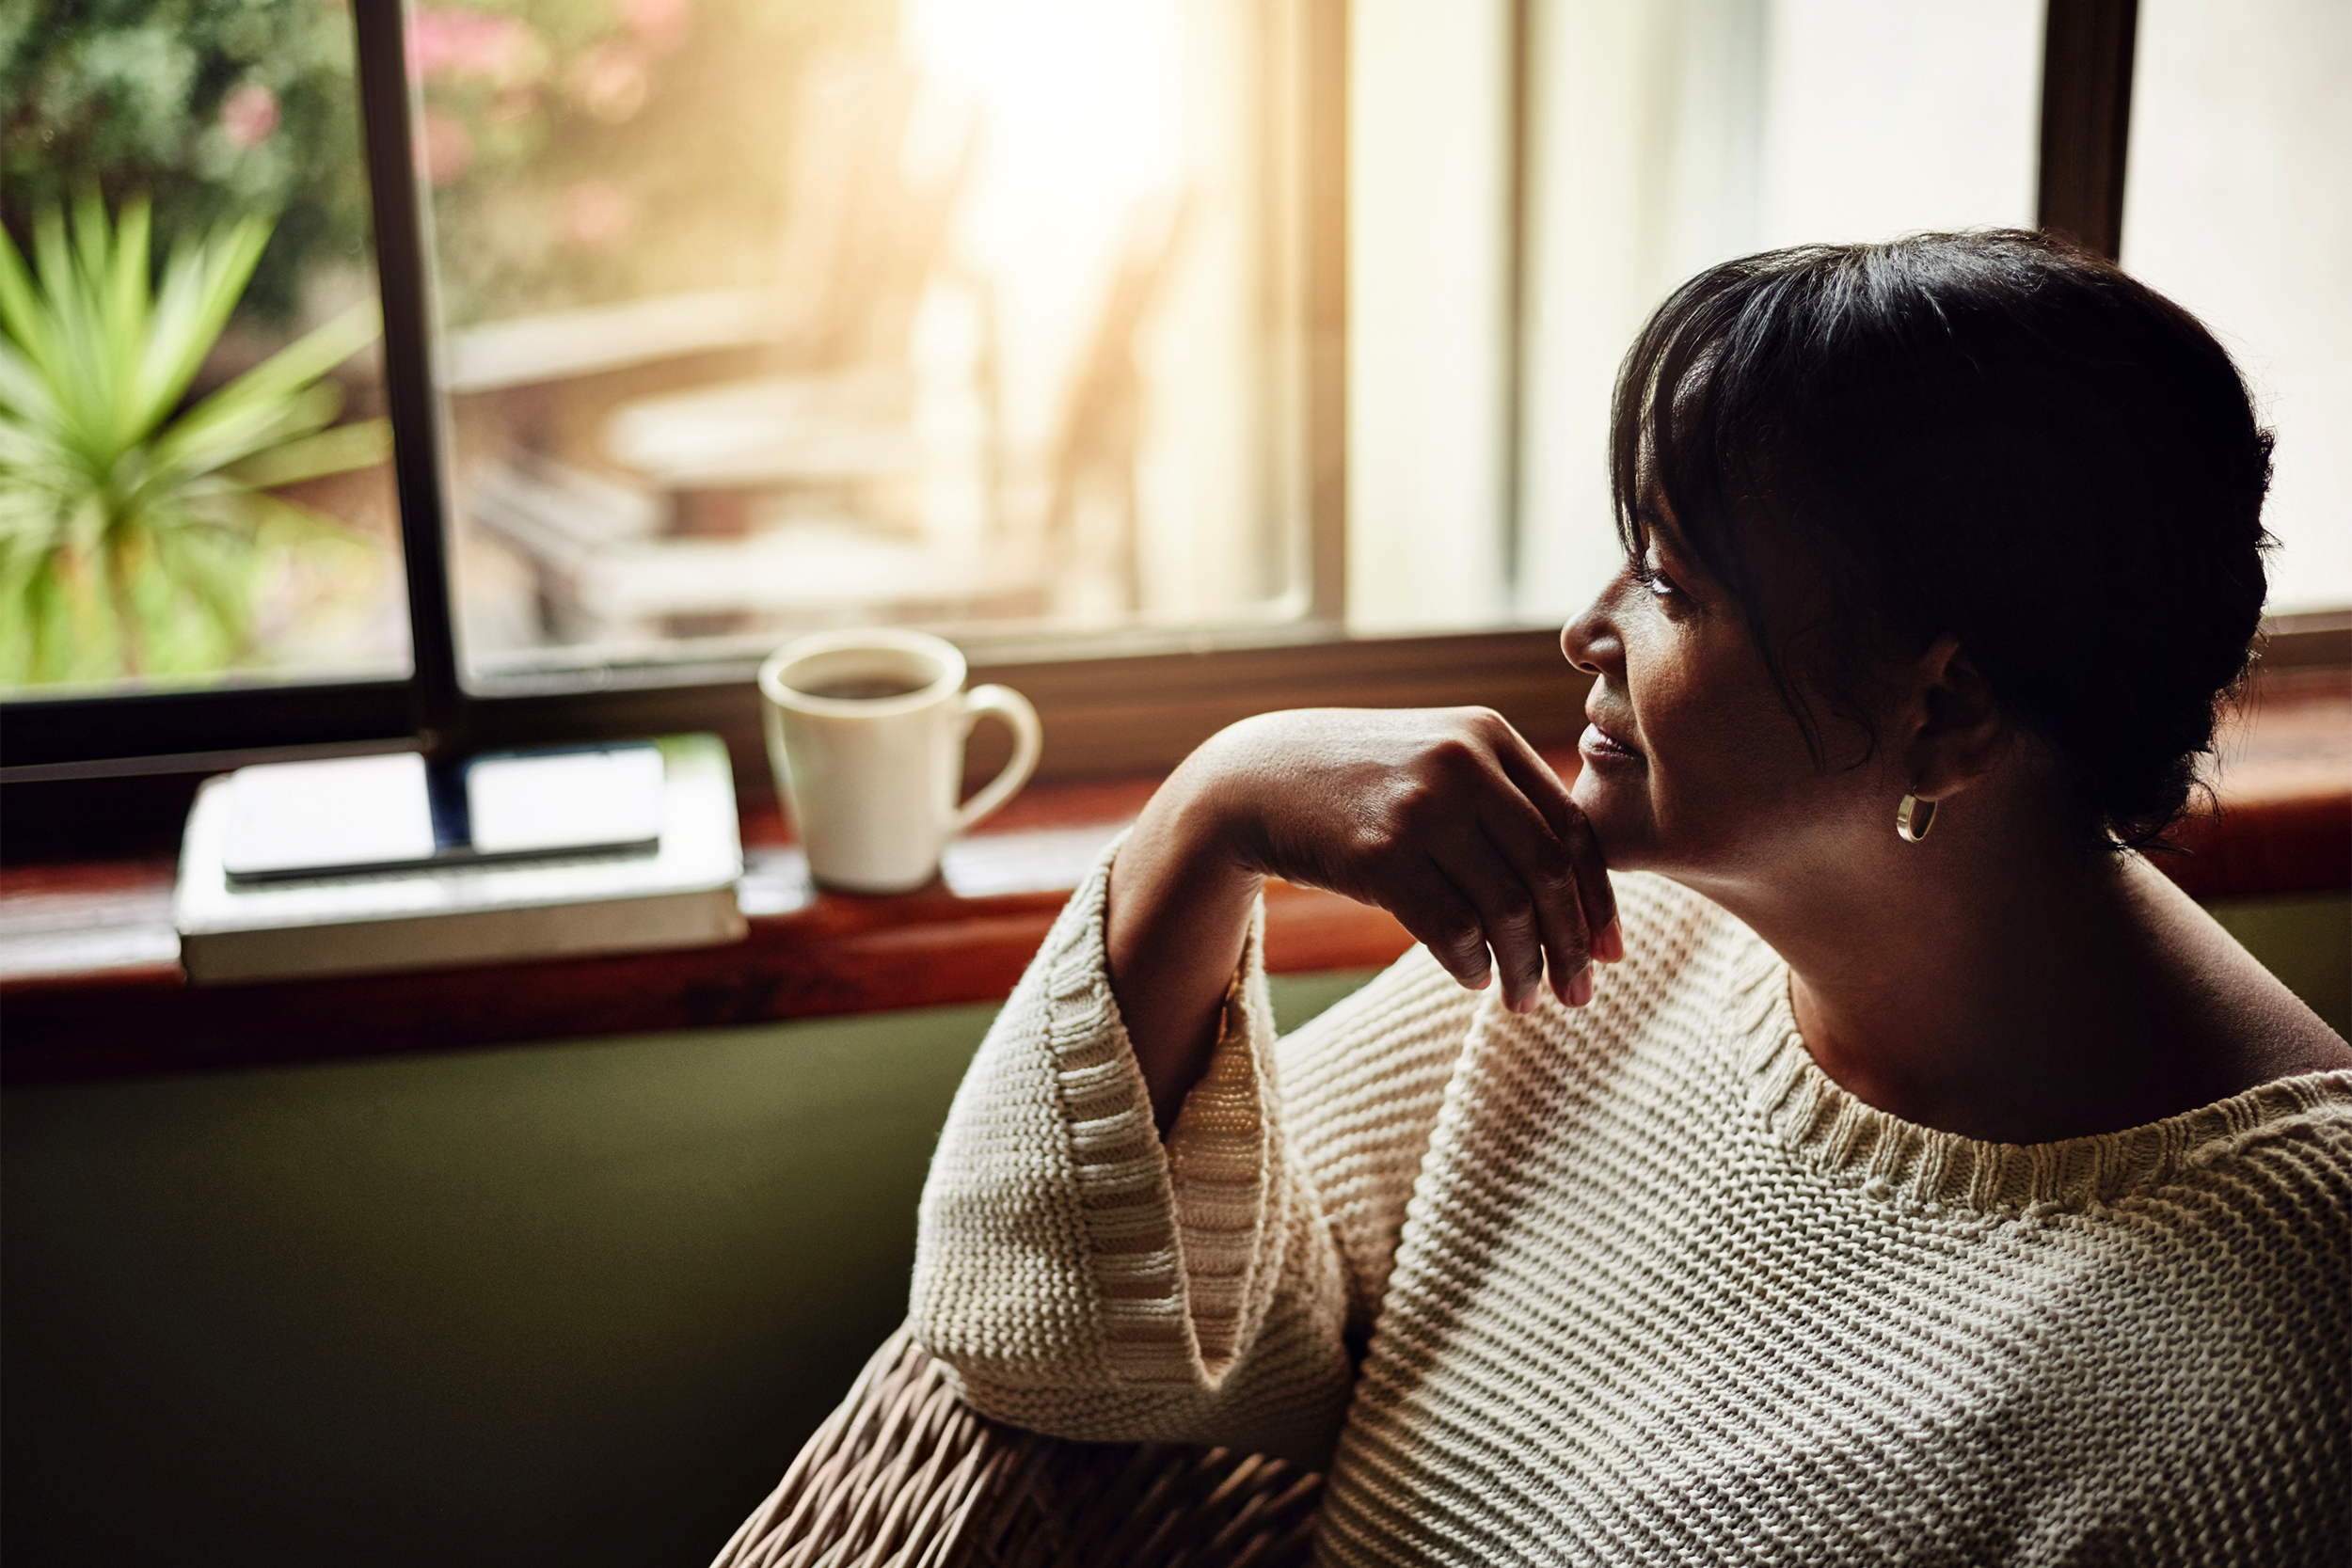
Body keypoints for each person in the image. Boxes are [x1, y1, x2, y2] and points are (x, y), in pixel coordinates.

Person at [908, 231, 2352, 1564]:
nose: (1585, 626)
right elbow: (1042, 1334)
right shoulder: (1642, 938)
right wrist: (1217, 804)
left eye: (1670, 580)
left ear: (1949, 702)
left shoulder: (2276, 1362)